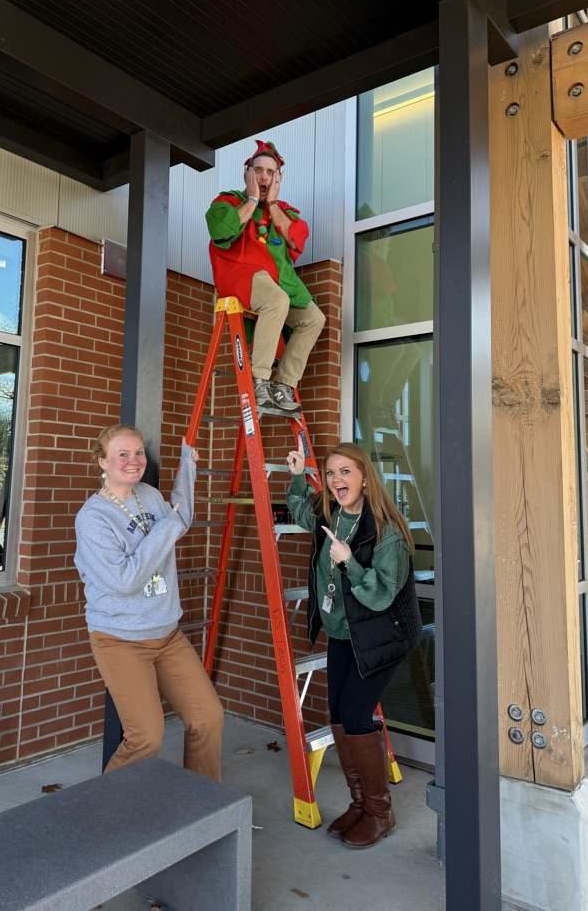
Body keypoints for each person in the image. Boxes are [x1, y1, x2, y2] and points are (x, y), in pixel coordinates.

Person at [286, 438, 421, 848]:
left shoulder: (388, 533)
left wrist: (349, 561)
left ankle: (381, 812)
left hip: (382, 635)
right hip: (345, 632)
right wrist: (297, 479)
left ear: (365, 478)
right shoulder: (331, 513)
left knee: (358, 714)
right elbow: (302, 514)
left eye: (346, 471)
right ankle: (359, 804)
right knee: (339, 714)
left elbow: (378, 594)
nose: (336, 479)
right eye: (330, 473)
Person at [74, 424, 224, 780]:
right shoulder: (92, 518)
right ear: (102, 463)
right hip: (120, 638)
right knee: (145, 737)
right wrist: (166, 527)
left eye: (138, 453)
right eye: (122, 454)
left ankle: (201, 805)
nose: (133, 461)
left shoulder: (151, 496)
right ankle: (107, 818)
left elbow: (180, 517)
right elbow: (125, 580)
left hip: (167, 633)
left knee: (207, 718)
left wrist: (188, 464)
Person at [206, 139, 325, 413]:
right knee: (277, 300)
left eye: (270, 172)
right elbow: (222, 230)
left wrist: (271, 205)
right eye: (258, 170)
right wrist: (251, 199)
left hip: (279, 282)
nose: (264, 176)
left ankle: (283, 384)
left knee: (313, 318)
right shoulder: (227, 201)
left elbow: (295, 241)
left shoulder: (285, 211)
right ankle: (259, 379)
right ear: (248, 173)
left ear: (278, 178)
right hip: (240, 275)